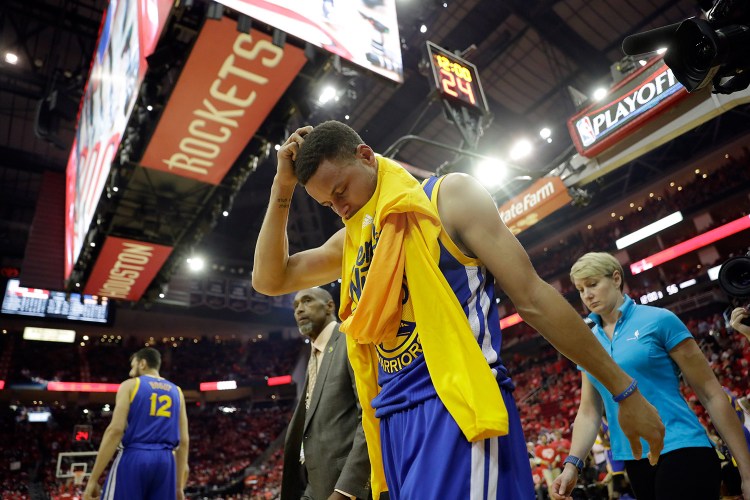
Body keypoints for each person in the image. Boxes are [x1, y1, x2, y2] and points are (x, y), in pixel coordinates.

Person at [252, 121, 665, 500]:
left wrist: (624, 391)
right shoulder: (353, 240)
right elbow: (270, 279)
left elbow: (534, 299)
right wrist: (280, 189)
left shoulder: (449, 197)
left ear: (365, 155)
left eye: (340, 191)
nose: (339, 207)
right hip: (391, 422)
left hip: (456, 406)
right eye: (327, 203)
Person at [552, 252, 750, 500]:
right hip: (634, 461)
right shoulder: (587, 342)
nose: (586, 295)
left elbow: (711, 393)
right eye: (580, 289)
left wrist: (747, 471)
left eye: (592, 284)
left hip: (683, 447)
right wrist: (572, 465)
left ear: (616, 279)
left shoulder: (659, 320)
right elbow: (589, 411)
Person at [281, 287, 371, 500]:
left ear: (330, 306)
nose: (299, 310)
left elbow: (369, 416)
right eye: (295, 306)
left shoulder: (349, 341)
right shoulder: (313, 355)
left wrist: (346, 490)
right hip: (315, 486)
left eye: (307, 301)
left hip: (346, 491)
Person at [83, 348, 189, 500]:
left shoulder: (131, 385)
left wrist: (93, 480)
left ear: (142, 363)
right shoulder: (177, 391)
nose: (130, 372)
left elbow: (115, 430)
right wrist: (178, 486)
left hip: (135, 457)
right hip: (166, 462)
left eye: (133, 366)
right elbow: (184, 441)